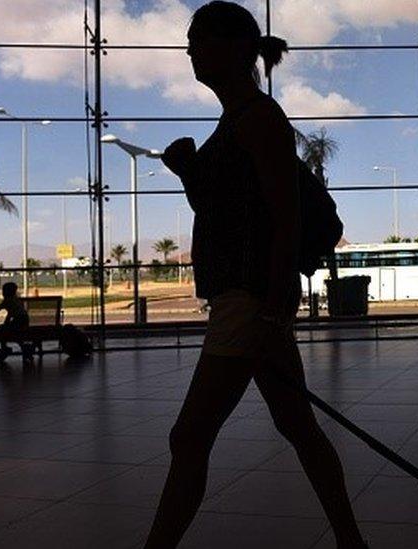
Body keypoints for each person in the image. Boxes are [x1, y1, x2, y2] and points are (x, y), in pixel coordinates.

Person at [143, 3, 366, 548]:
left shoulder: (260, 118)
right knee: (297, 426)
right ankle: (351, 541)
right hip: (246, 297)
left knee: (190, 436)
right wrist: (189, 173)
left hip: (247, 299)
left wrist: (271, 306)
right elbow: (228, 212)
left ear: (235, 48)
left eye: (198, 39)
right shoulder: (236, 119)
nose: (190, 50)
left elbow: (284, 218)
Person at [0, 281, 32, 364]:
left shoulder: (7, 301)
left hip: (18, 321)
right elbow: (11, 313)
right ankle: (24, 348)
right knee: (15, 334)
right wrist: (6, 323)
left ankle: (5, 348)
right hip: (23, 321)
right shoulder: (17, 300)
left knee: (2, 330)